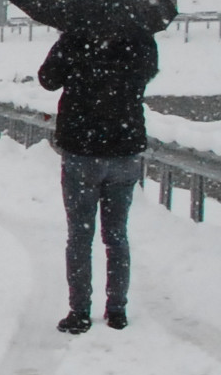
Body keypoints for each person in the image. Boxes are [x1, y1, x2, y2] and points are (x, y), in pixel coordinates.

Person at [38, 26, 160, 333]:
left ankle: (79, 311)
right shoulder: (140, 38)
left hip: (82, 149)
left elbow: (48, 79)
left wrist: (69, 47)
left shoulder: (76, 36)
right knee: (116, 234)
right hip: (125, 149)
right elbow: (147, 74)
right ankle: (117, 310)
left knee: (80, 235)